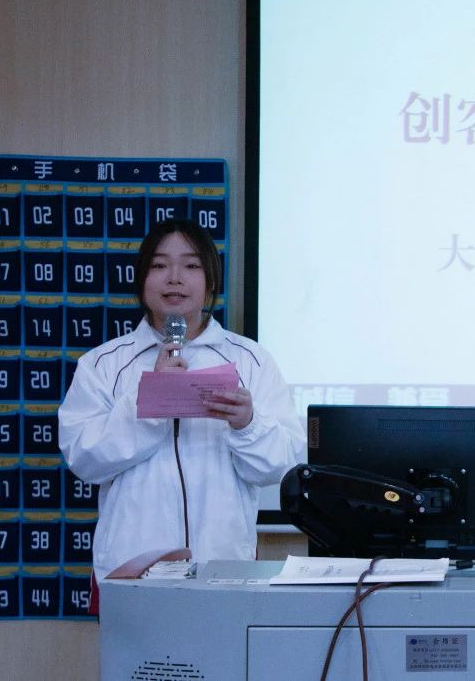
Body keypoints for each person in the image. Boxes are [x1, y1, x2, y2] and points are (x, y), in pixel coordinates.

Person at [58, 218, 305, 582]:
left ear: (210, 281)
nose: (174, 278)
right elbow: (84, 459)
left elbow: (281, 466)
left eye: (191, 266)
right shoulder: (103, 364)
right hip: (132, 569)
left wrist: (247, 425)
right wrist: (148, 401)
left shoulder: (251, 360)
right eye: (159, 266)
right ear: (142, 279)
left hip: (224, 567)